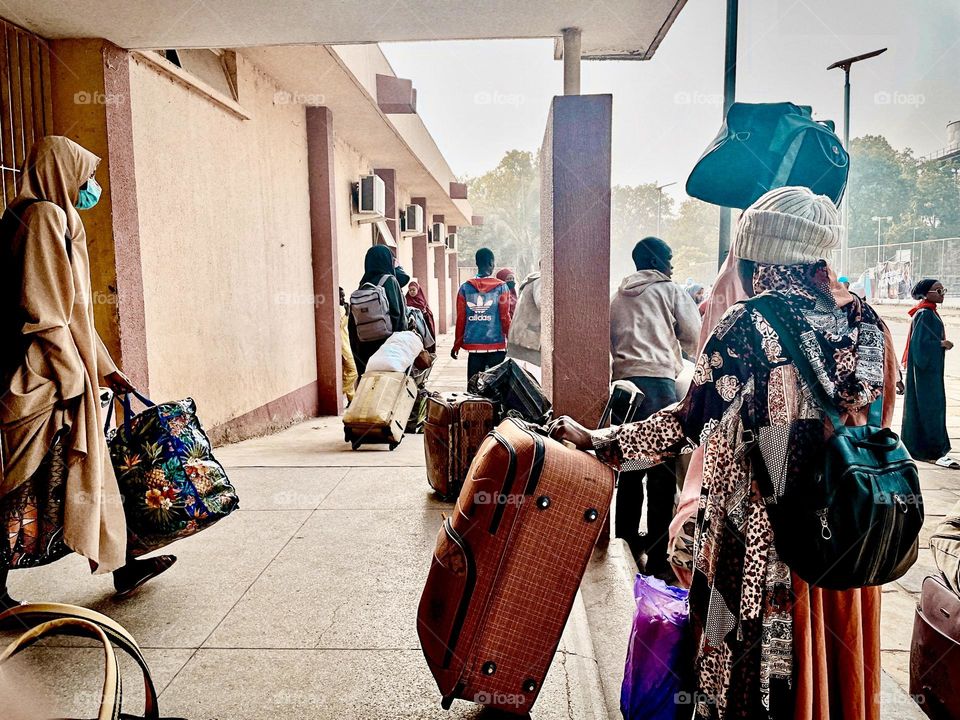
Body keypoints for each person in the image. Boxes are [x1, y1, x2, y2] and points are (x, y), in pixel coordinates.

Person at [554, 187, 892, 720]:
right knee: (829, 659)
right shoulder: (866, 322)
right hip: (844, 534)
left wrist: (601, 442)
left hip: (757, 538)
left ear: (756, 256)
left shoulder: (747, 324)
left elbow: (686, 423)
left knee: (750, 673)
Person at [0, 136, 176, 608]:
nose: (91, 186)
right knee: (24, 483)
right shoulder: (43, 217)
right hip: (40, 378)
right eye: (85, 176)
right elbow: (45, 312)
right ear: (61, 172)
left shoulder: (44, 217)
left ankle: (125, 560)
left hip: (59, 373)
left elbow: (76, 313)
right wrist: (72, 376)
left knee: (91, 472)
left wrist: (105, 369)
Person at [609, 236, 701, 573]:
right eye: (669, 257)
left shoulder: (617, 298)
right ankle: (659, 557)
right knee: (662, 477)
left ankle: (626, 548)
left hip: (625, 394)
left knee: (631, 472)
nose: (672, 264)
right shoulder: (671, 291)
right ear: (656, 260)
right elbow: (695, 335)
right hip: (660, 389)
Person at [901, 278, 958, 468]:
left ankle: (924, 449)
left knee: (927, 408)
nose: (942, 294)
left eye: (943, 290)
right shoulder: (925, 313)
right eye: (938, 291)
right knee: (931, 409)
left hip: (928, 371)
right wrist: (941, 344)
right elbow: (919, 346)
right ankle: (933, 451)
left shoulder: (928, 312)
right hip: (925, 374)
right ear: (927, 294)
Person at [451, 248, 512, 382]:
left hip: (474, 346)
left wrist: (457, 344)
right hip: (497, 346)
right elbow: (504, 317)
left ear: (477, 263)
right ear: (491, 263)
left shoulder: (465, 288)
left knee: (473, 388)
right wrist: (510, 339)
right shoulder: (502, 287)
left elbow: (461, 318)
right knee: (497, 388)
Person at [348, 245, 407, 377]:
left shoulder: (364, 283)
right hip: (386, 345)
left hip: (364, 345)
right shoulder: (390, 280)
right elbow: (399, 316)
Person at [506, 270, 542, 382]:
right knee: (532, 386)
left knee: (521, 382)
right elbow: (543, 304)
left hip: (521, 337)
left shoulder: (531, 280)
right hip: (529, 340)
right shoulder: (540, 280)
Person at [405, 278, 436, 351]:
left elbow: (429, 314)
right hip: (411, 327)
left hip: (423, 327)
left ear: (418, 290)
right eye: (410, 290)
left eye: (413, 290)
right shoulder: (406, 300)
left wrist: (425, 314)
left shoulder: (422, 301)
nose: (412, 292)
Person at [338, 287, 357, 404]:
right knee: (353, 371)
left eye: (343, 296)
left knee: (346, 372)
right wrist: (346, 314)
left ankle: (352, 399)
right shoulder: (340, 310)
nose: (343, 298)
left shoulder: (342, 309)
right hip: (342, 345)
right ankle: (338, 394)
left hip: (345, 343)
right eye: (340, 296)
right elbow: (339, 325)